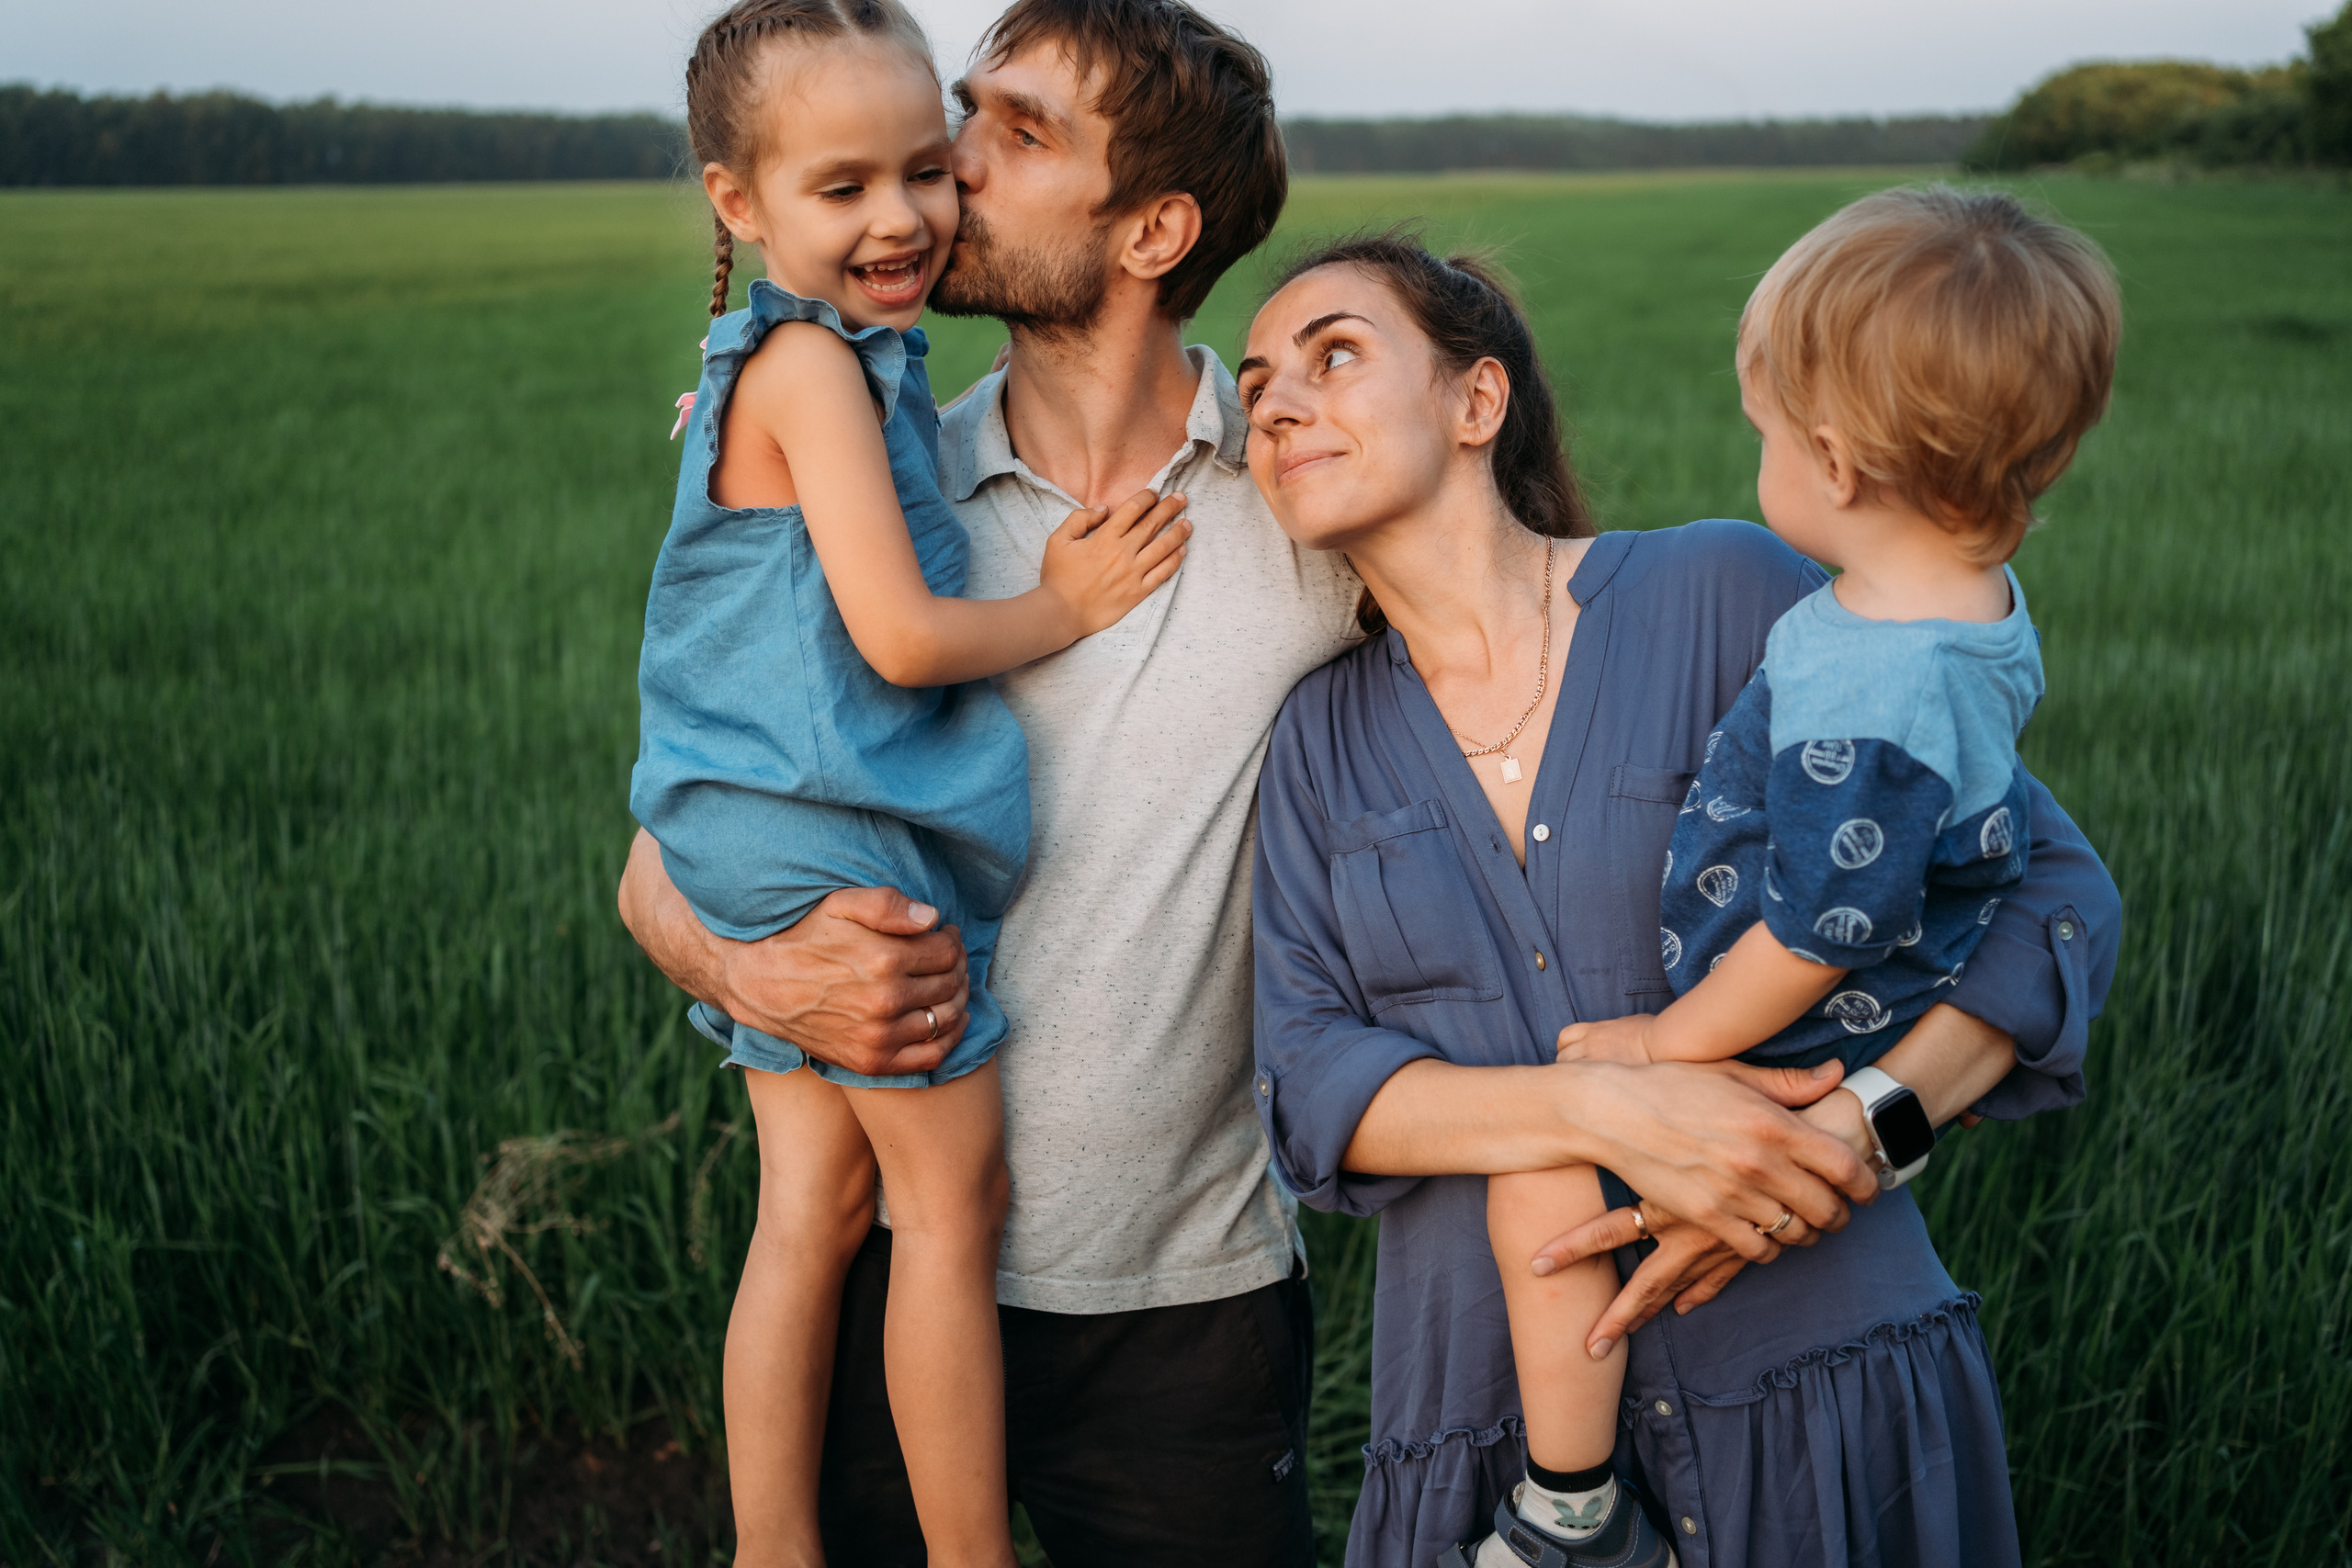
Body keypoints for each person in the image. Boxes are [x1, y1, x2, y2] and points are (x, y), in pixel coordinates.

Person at [1242, 231, 2120, 1566]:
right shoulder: (1318, 738)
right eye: (1254, 387)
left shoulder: (1726, 592)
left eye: (1335, 355)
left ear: (1478, 403)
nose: (1277, 403)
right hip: (1494, 1454)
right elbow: (1309, 1086)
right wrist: (1596, 1101)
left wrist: (1865, 1129)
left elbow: (2045, 888)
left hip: (1823, 1374)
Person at [634, 3, 1188, 1562]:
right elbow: (897, 637)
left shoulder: (793, 364)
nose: (903, 218)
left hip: (752, 834)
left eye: (926, 172)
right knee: (953, 1210)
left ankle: (773, 1546)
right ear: (736, 201)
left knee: (807, 1212)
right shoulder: (813, 374)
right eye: (841, 188)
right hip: (834, 848)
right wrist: (1065, 607)